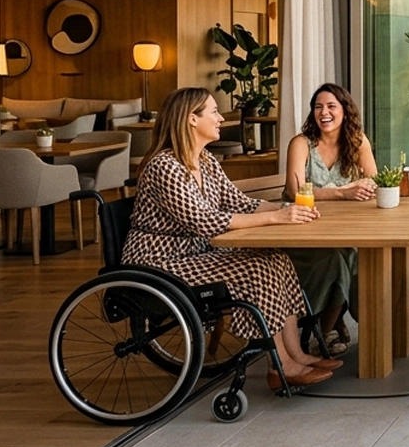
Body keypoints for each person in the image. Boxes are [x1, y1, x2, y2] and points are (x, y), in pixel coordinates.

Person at [122, 88, 338, 388]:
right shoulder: (164, 167)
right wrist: (275, 218)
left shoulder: (206, 161)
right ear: (191, 119)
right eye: (213, 111)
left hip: (195, 255)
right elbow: (204, 221)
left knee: (276, 259)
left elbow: (240, 203)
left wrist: (288, 208)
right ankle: (281, 365)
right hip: (161, 263)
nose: (221, 117)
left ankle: (296, 354)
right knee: (256, 269)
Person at [284, 83, 378, 351]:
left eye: (331, 106)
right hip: (300, 232)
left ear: (345, 111)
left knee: (364, 254)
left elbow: (373, 182)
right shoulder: (301, 143)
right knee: (340, 257)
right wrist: (343, 193)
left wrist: (360, 189)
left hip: (342, 229)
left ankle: (360, 324)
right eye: (318, 107)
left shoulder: (358, 142)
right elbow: (295, 191)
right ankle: (324, 333)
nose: (323, 112)